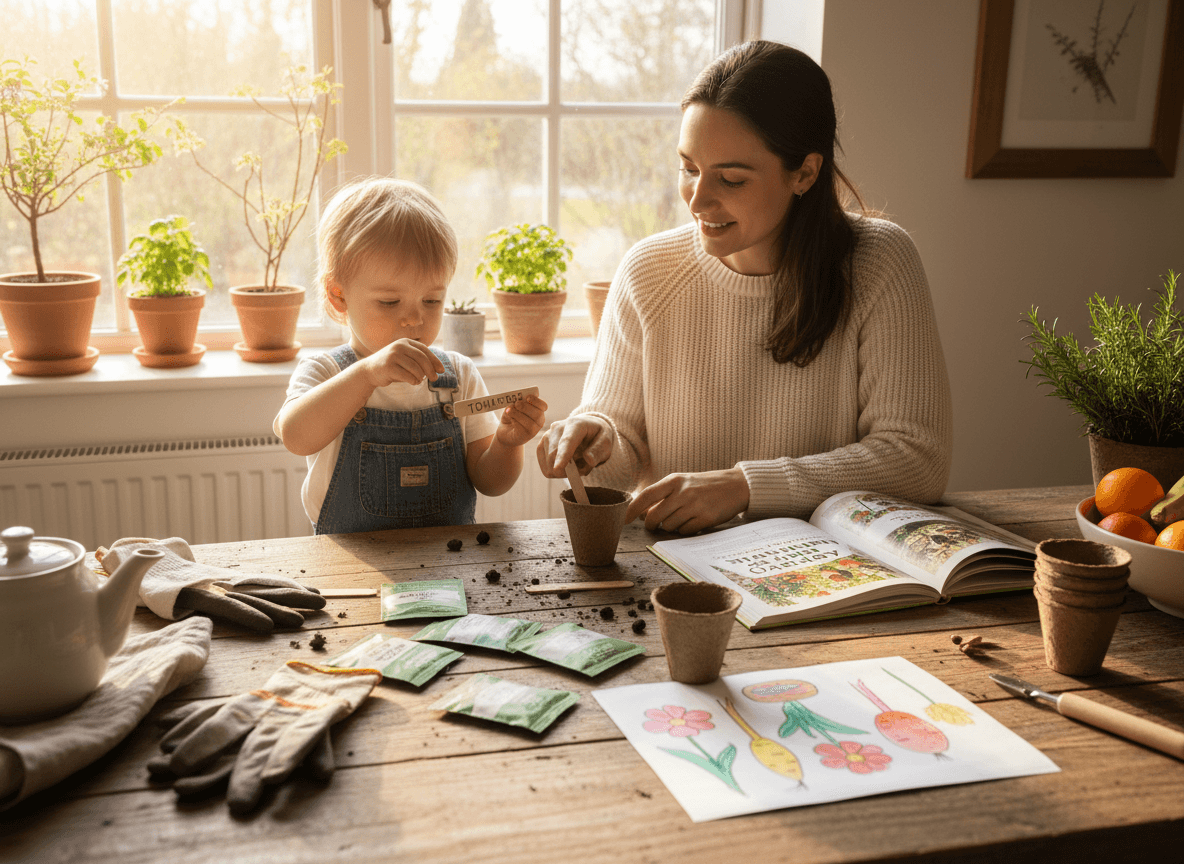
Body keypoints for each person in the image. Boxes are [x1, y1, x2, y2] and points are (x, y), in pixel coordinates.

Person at [537, 40, 952, 534]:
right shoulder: (648, 271)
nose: (696, 201)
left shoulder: (879, 262)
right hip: (680, 568)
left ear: (804, 173)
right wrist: (596, 440)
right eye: (689, 169)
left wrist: (744, 486)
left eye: (730, 179)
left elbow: (917, 458)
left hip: (826, 573)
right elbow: (621, 452)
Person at [275, 178, 548, 534]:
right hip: (349, 567)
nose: (414, 318)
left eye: (432, 300)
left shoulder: (459, 377)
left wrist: (508, 443)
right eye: (390, 302)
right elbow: (296, 437)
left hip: (449, 564)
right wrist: (367, 374)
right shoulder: (325, 372)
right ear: (338, 296)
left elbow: (491, 482)